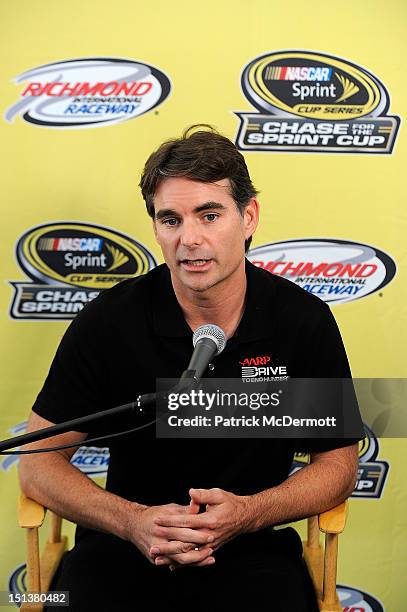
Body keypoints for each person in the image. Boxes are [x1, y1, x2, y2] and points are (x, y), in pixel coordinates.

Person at [19, 125, 361, 611]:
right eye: (171, 220)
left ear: (248, 217)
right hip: (123, 548)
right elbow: (38, 463)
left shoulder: (301, 320)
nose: (190, 239)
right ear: (156, 228)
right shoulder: (111, 320)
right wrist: (133, 520)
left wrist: (246, 513)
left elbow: (338, 466)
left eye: (209, 214)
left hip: (251, 550)